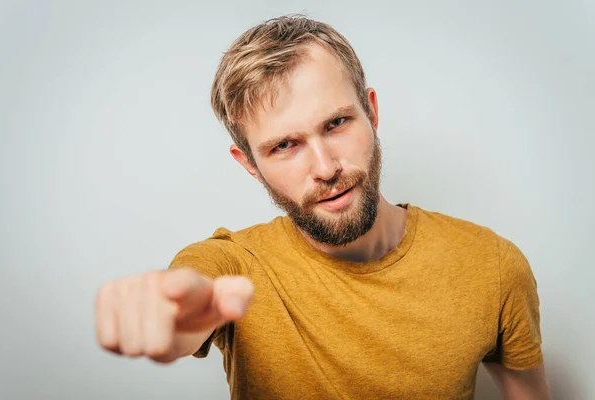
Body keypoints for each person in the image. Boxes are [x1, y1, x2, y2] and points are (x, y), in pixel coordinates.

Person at [95, 15, 551, 399]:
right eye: (285, 146)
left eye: (336, 123)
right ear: (250, 164)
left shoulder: (492, 265)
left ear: (371, 112)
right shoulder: (236, 267)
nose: (326, 167)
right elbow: (190, 294)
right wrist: (168, 313)